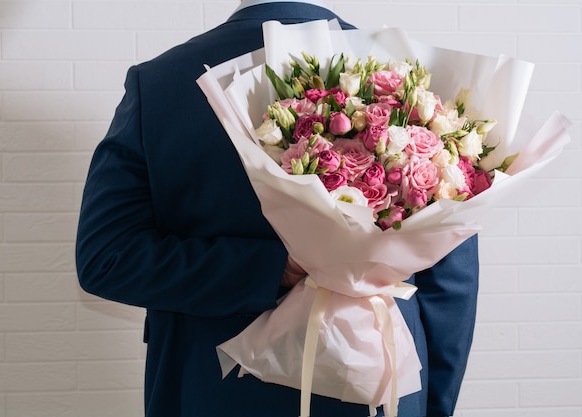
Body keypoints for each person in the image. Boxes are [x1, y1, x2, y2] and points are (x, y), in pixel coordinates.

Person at [75, 0, 479, 416]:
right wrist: (432, 402)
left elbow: (108, 257)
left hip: (211, 386)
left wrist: (266, 269)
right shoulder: (412, 78)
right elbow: (450, 280)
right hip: (383, 389)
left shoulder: (162, 82)